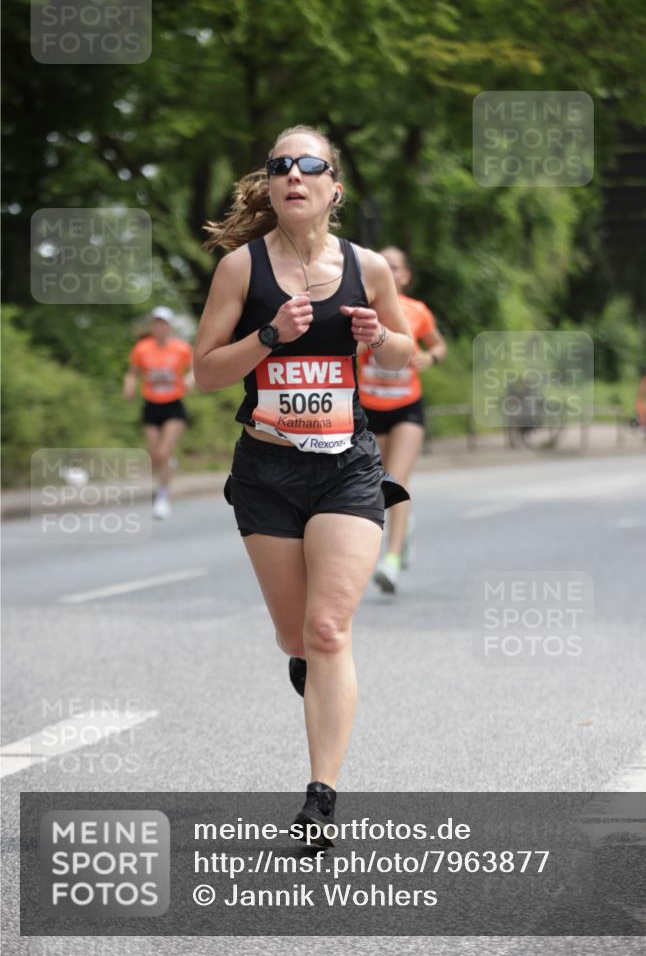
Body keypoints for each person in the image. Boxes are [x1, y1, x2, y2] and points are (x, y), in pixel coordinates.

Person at [195, 125, 413, 843]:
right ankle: (311, 667)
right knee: (295, 633)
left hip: (346, 466)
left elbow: (410, 348)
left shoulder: (367, 267)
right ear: (271, 185)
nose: (293, 174)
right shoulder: (240, 270)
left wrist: (379, 340)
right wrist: (268, 338)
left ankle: (320, 798)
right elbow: (205, 371)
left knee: (328, 628)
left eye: (308, 165)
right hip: (266, 468)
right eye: (279, 165)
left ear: (332, 188)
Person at [358, 247, 446, 594]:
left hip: (407, 405)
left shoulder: (417, 311)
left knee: (398, 478)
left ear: (405, 276)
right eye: (383, 266)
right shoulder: (361, 310)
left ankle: (391, 560)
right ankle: (403, 527)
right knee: (378, 482)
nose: (389, 272)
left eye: (395, 267)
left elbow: (439, 346)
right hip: (369, 406)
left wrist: (429, 358)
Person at [123, 306, 194, 519]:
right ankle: (167, 467)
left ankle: (162, 496)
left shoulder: (181, 348)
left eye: (163, 323)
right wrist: (129, 385)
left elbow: (195, 369)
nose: (159, 327)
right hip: (151, 405)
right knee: (154, 455)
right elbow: (132, 373)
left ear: (169, 326)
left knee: (163, 452)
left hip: (174, 405)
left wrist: (190, 381)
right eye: (156, 323)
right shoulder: (142, 348)